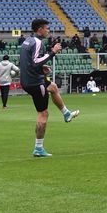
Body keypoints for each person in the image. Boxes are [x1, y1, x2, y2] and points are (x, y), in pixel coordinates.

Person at [19, 19, 80, 158]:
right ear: (40, 29)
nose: (48, 31)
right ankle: (38, 148)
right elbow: (34, 63)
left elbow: (27, 61)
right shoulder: (38, 42)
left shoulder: (27, 41)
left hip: (28, 80)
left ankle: (66, 113)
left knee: (52, 87)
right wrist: (53, 52)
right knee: (43, 113)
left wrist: (41, 68)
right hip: (35, 82)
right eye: (46, 28)